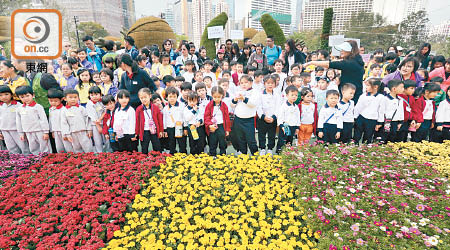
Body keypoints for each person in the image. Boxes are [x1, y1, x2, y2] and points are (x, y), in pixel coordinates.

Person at [15, 85, 50, 154]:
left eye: (27, 96)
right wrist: (21, 133)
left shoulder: (38, 107)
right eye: (22, 97)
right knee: (33, 147)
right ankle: (36, 159)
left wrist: (46, 132)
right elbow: (18, 122)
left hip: (39, 131)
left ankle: (47, 159)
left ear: (33, 95)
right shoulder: (19, 109)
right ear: (18, 97)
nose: (25, 98)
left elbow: (43, 119)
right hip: (28, 131)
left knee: (44, 146)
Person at [232, 75, 259, 155]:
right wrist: (235, 100)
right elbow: (232, 105)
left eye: (246, 82)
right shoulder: (238, 92)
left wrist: (244, 99)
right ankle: (243, 154)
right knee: (240, 139)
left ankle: (255, 154)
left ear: (251, 83)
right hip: (238, 119)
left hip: (249, 120)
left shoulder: (255, 92)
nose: (244, 84)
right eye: (242, 83)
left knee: (251, 140)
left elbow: (253, 104)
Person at [353, 78, 384, 143]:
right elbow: (358, 107)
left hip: (372, 120)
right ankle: (354, 147)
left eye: (368, 85)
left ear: (376, 87)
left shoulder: (381, 97)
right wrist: (355, 117)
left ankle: (365, 150)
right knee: (356, 135)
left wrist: (380, 122)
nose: (366, 87)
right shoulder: (363, 96)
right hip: (361, 118)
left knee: (368, 137)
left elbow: (381, 110)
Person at [0, 85, 30, 154]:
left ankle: (28, 159)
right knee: (11, 147)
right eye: (1, 95)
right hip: (5, 130)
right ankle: (16, 161)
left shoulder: (18, 105)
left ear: (11, 94)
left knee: (23, 146)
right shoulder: (1, 106)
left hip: (17, 130)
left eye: (6, 94)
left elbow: (24, 118)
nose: (4, 97)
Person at [257, 75, 280, 155]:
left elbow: (278, 107)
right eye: (268, 83)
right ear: (264, 84)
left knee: (271, 135)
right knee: (261, 135)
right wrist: (263, 117)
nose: (270, 85)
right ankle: (262, 148)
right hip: (262, 119)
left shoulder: (277, 95)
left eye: (272, 83)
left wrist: (274, 117)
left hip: (273, 119)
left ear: (275, 84)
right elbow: (258, 107)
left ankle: (270, 148)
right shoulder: (260, 94)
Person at [204, 86, 231, 156]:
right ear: (212, 96)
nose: (217, 99)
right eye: (215, 97)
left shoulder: (224, 105)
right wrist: (210, 125)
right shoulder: (209, 105)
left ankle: (223, 153)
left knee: (222, 141)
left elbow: (227, 118)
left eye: (219, 97)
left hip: (221, 126)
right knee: (212, 141)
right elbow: (206, 117)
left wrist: (227, 130)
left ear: (222, 95)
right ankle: (212, 154)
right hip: (213, 126)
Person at [136, 88, 163, 154]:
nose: (143, 99)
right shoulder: (139, 109)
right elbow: (137, 122)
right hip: (144, 131)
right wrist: (137, 132)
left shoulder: (155, 107)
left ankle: (158, 159)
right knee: (144, 147)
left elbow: (160, 120)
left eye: (145, 97)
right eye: (141, 98)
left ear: (150, 96)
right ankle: (145, 161)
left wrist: (161, 131)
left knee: (157, 146)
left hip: (154, 130)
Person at [276, 85, 300, 153]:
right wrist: (281, 126)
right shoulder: (283, 106)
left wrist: (297, 127)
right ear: (287, 95)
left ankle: (287, 153)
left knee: (290, 140)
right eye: (292, 95)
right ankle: (279, 153)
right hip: (285, 126)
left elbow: (297, 117)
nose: (294, 97)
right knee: (282, 140)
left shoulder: (296, 106)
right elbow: (280, 117)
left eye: (296, 95)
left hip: (293, 126)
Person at [48, 88, 73, 153]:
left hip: (63, 131)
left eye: (55, 101)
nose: (53, 103)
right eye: (51, 101)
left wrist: (66, 133)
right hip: (56, 130)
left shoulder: (63, 109)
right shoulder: (51, 109)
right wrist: (52, 131)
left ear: (61, 99)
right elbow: (50, 121)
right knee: (59, 146)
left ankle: (71, 156)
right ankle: (61, 158)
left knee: (68, 146)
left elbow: (66, 122)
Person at [163, 87, 187, 154]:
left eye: (174, 96)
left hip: (180, 127)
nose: (172, 98)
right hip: (170, 128)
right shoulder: (165, 108)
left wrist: (185, 128)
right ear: (166, 98)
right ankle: (172, 154)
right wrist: (165, 130)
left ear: (177, 97)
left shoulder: (182, 106)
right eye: (170, 97)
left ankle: (183, 154)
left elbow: (184, 117)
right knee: (171, 142)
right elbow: (164, 120)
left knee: (182, 142)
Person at [85, 86, 105, 153]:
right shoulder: (89, 104)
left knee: (106, 138)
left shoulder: (103, 101)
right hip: (95, 125)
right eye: (92, 95)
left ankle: (109, 152)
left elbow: (105, 110)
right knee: (97, 140)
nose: (94, 97)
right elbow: (93, 116)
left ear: (100, 94)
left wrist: (100, 119)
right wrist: (98, 126)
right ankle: (100, 153)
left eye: (96, 94)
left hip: (104, 123)